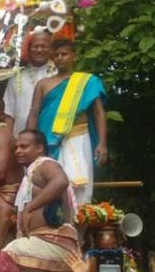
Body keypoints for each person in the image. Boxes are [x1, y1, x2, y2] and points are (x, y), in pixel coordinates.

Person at [3, 130, 80, 272]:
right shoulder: (31, 172)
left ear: (40, 148)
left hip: (54, 241)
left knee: (3, 258)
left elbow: (61, 181)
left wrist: (31, 207)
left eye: (24, 146)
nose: (18, 151)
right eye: (16, 148)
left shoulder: (45, 164)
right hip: (39, 241)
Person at [26, 38, 108, 204]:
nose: (60, 58)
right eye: (56, 55)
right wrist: (28, 143)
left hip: (79, 138)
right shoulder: (43, 84)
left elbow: (99, 113)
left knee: (79, 186)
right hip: (49, 141)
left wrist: (102, 143)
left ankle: (79, 225)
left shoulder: (86, 82)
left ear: (74, 56)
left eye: (64, 54)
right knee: (50, 185)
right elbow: (34, 113)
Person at [3, 31, 55, 135]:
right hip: (21, 141)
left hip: (52, 138)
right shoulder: (17, 76)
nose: (39, 50)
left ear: (51, 49)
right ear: (28, 49)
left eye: (43, 46)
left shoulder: (57, 74)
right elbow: (9, 114)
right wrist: (9, 139)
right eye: (35, 46)